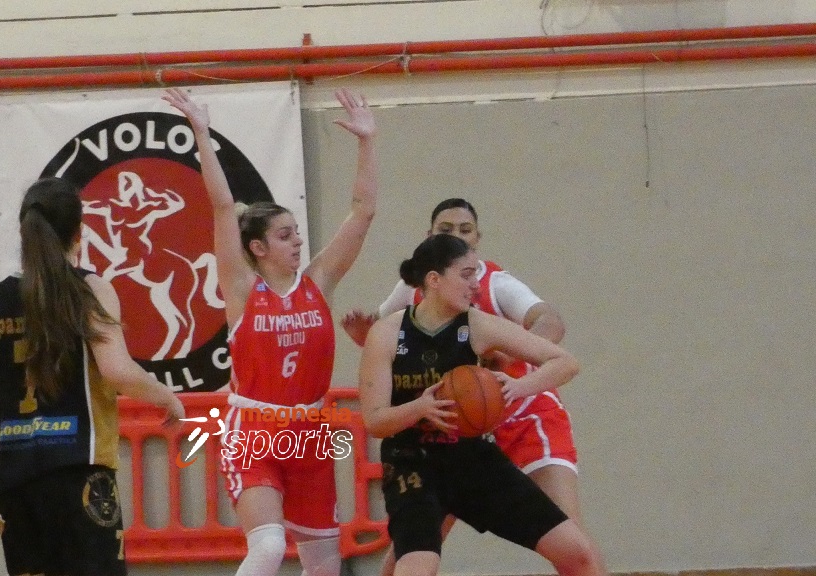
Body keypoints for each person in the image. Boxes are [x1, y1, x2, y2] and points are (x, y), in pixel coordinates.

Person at [162, 86, 377, 576]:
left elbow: (363, 212)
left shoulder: (319, 282)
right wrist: (201, 132)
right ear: (257, 248)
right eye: (285, 235)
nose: (298, 241)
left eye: (297, 232)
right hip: (254, 430)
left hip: (311, 434)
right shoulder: (242, 290)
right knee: (267, 547)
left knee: (325, 566)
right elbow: (222, 207)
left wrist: (367, 141)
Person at [343, 198, 603, 573]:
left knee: (577, 551)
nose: (475, 284)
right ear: (434, 279)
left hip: (472, 452)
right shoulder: (388, 330)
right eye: (466, 275)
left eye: (474, 272)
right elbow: (375, 420)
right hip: (413, 458)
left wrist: (518, 385)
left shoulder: (479, 319)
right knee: (413, 565)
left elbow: (564, 358)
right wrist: (421, 407)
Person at [0, 177, 186, 576]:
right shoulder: (88, 288)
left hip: (15, 480)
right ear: (79, 233)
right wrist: (166, 396)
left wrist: (15, 415)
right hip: (78, 470)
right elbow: (117, 370)